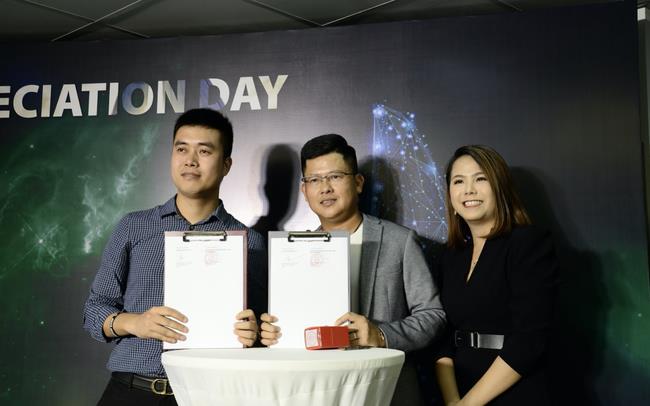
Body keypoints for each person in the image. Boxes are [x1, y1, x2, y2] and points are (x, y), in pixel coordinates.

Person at [83, 108, 266, 405]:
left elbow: (263, 331)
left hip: (209, 394)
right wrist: (135, 323)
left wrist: (254, 334)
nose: (190, 160)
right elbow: (94, 310)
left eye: (204, 151)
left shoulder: (249, 241)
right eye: (181, 149)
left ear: (226, 165)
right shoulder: (134, 226)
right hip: (131, 390)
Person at [260, 133, 446, 405]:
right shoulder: (295, 252)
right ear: (304, 190)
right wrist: (275, 331)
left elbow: (433, 315)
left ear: (358, 183)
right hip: (318, 392)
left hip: (386, 390)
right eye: (314, 180)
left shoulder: (400, 241)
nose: (325, 188)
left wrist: (381, 335)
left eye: (335, 176)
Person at [434, 145, 558, 405]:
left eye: (480, 179)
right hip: (459, 389)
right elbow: (442, 337)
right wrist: (453, 400)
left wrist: (469, 404)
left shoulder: (527, 243)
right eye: (458, 181)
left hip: (516, 392)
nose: (468, 190)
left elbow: (529, 340)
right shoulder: (451, 256)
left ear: (500, 188)